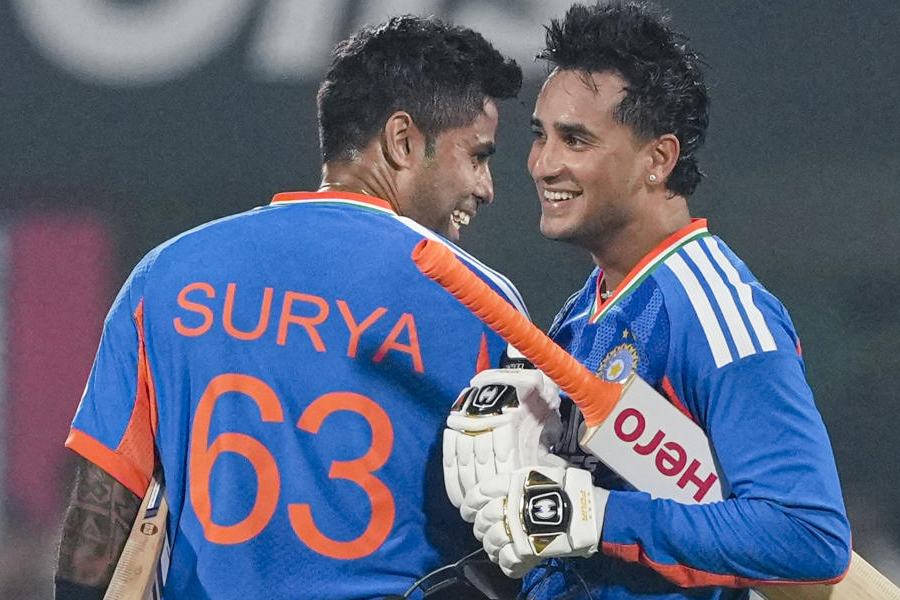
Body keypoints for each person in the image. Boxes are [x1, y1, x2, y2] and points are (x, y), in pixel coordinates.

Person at [55, 16, 525, 600]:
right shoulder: (479, 303)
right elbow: (513, 538)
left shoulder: (167, 277)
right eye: (477, 156)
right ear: (403, 141)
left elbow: (99, 514)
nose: (486, 187)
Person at [446, 2, 852, 599]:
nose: (543, 164)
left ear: (658, 159)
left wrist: (596, 516)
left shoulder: (715, 309)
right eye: (540, 135)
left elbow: (805, 535)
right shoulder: (587, 310)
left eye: (575, 140)